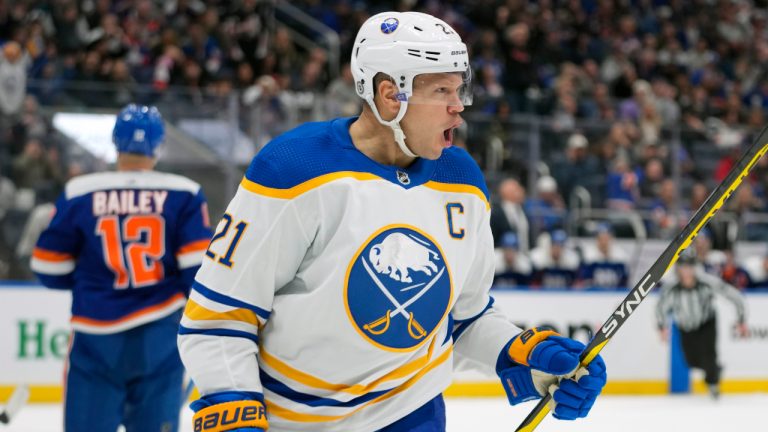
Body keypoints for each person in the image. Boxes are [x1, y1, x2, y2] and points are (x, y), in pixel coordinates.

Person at [177, 12, 607, 432]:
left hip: (411, 413)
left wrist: (528, 354)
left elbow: (466, 318)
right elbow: (217, 319)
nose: (459, 108)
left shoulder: (462, 180)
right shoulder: (294, 168)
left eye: (459, 90)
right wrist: (231, 405)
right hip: (292, 419)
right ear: (389, 94)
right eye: (442, 91)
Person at [30, 104, 212, 432]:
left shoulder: (80, 191)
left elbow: (47, 266)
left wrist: (91, 282)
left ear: (115, 142)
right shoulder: (185, 192)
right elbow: (197, 275)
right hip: (160, 336)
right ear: (159, 145)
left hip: (95, 337)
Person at [656, 251, 748, 398]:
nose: (686, 271)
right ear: (678, 269)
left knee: (708, 356)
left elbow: (734, 296)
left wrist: (741, 320)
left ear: (695, 267)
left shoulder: (707, 282)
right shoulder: (671, 287)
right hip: (685, 327)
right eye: (683, 267)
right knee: (690, 361)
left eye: (689, 267)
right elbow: (661, 307)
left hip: (706, 324)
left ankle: (712, 383)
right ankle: (715, 370)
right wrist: (661, 327)